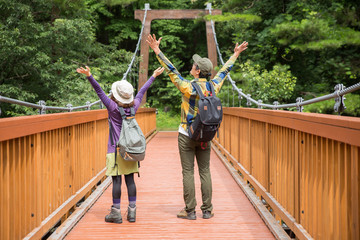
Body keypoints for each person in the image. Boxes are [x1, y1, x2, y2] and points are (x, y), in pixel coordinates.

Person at [146, 34, 248, 220]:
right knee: (205, 170)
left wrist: (156, 50)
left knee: (188, 171)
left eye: (194, 66)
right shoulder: (213, 86)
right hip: (206, 135)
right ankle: (207, 210)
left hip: (187, 133)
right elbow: (224, 71)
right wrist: (235, 55)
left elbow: (171, 70)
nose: (192, 67)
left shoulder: (187, 87)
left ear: (197, 71)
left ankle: (190, 210)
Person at [76, 65, 164, 223]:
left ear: (116, 95)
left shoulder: (112, 107)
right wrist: (153, 76)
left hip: (115, 150)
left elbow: (99, 92)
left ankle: (116, 213)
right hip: (131, 149)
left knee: (116, 180)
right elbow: (141, 92)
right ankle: (132, 213)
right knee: (130, 180)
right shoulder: (135, 106)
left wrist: (89, 76)